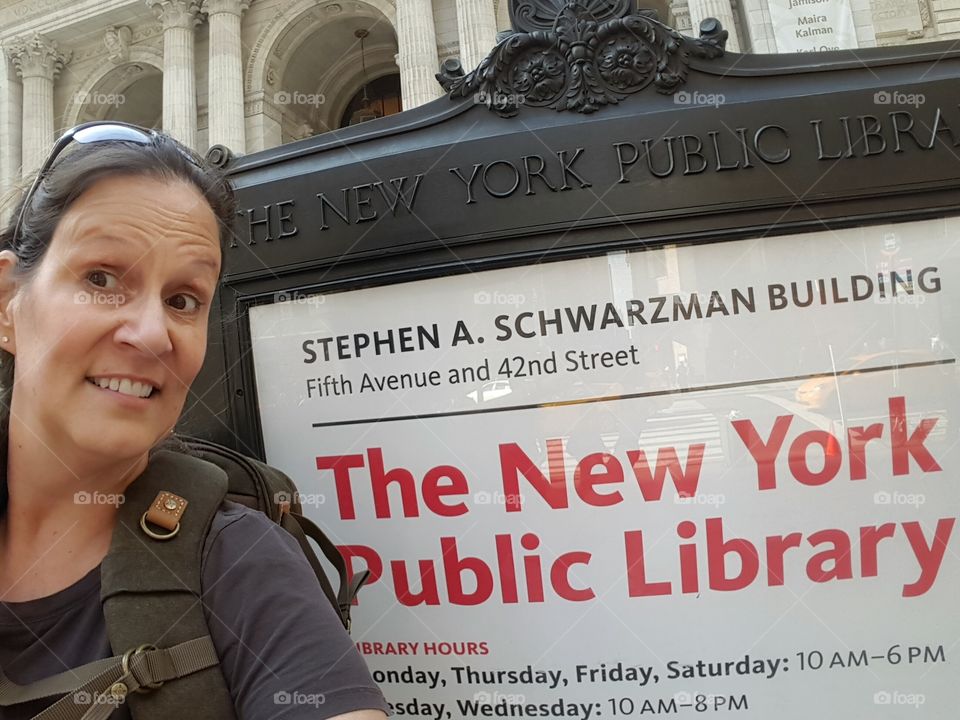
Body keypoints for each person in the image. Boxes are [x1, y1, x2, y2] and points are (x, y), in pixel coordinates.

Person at [0, 122, 390, 720]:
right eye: (101, 279)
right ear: (8, 302)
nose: (152, 334)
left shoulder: (239, 560)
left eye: (183, 300)